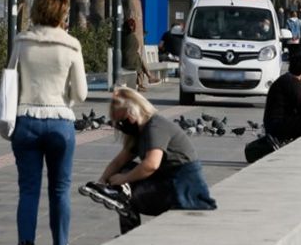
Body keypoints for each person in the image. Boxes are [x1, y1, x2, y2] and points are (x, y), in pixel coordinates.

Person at [8, 0, 88, 245]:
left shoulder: (22, 41)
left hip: (26, 118)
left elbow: (10, 82)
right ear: (63, 11)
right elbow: (81, 93)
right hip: (60, 122)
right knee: (60, 190)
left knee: (28, 189)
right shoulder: (71, 45)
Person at [80, 87, 216, 235]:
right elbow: (119, 162)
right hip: (168, 181)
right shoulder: (140, 133)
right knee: (125, 172)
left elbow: (151, 164)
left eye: (123, 120)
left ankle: (127, 225)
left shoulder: (155, 126)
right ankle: (121, 203)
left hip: (184, 188)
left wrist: (123, 179)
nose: (122, 126)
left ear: (134, 112)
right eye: (118, 123)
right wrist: (101, 182)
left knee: (126, 197)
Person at [122, 18, 160, 91]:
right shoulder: (130, 36)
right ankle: (145, 80)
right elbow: (135, 47)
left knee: (138, 58)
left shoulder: (122, 36)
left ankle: (148, 78)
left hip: (125, 60)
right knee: (138, 60)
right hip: (128, 62)